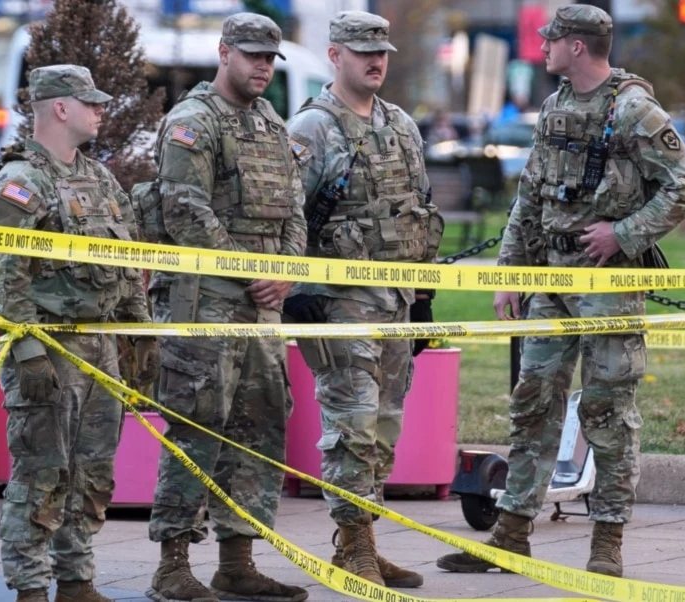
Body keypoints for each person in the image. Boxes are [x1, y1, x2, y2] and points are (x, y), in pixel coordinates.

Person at [436, 5, 685, 578]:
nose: (543, 45)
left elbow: (684, 186)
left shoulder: (634, 109)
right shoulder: (555, 106)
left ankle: (605, 544)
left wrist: (622, 233)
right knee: (532, 404)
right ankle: (510, 534)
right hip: (551, 279)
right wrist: (511, 271)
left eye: (550, 38)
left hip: (606, 283)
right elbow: (531, 194)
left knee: (607, 411)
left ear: (576, 46)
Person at [139, 12, 309, 602]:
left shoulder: (269, 122)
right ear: (223, 53)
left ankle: (237, 560)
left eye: (269, 58)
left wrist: (283, 272)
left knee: (258, 427)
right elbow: (186, 214)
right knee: (198, 428)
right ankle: (173, 564)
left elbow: (295, 210)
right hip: (204, 305)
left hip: (262, 309)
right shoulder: (193, 121)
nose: (262, 67)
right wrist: (251, 269)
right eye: (251, 55)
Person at [0, 64, 158, 602]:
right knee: (42, 474)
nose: (101, 110)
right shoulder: (21, 183)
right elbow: (6, 279)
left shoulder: (100, 179)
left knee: (92, 473)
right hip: (50, 352)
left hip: (100, 349)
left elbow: (126, 263)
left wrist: (141, 333)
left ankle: (76, 580)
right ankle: (32, 588)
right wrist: (30, 352)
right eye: (91, 102)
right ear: (60, 108)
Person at [284, 10, 442, 589]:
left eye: (381, 52)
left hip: (395, 303)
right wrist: (299, 291)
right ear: (335, 56)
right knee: (351, 427)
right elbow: (286, 218)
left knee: (383, 430)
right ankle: (358, 548)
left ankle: (359, 540)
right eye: (362, 51)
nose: (375, 61)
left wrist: (423, 299)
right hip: (340, 304)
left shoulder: (401, 125)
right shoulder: (311, 129)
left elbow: (419, 214)